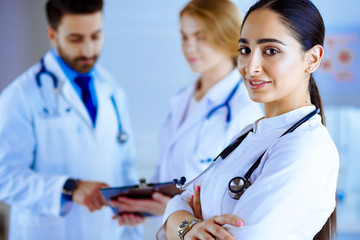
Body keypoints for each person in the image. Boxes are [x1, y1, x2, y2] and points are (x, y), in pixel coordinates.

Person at [159, 0, 339, 239]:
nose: (250, 67)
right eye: (245, 50)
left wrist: (184, 223)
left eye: (271, 51)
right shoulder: (248, 134)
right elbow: (177, 204)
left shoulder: (306, 148)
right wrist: (189, 227)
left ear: (313, 59)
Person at [110, 0, 263, 222]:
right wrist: (141, 206)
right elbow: (169, 172)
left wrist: (174, 210)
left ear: (227, 35)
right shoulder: (183, 99)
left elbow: (241, 205)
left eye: (200, 37)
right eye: (185, 36)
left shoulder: (244, 111)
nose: (189, 46)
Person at [0, 0, 141, 239]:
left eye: (95, 36)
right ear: (53, 35)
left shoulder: (113, 91)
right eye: (76, 39)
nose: (88, 50)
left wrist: (132, 226)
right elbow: (5, 177)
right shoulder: (21, 95)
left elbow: (126, 170)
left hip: (107, 232)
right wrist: (69, 188)